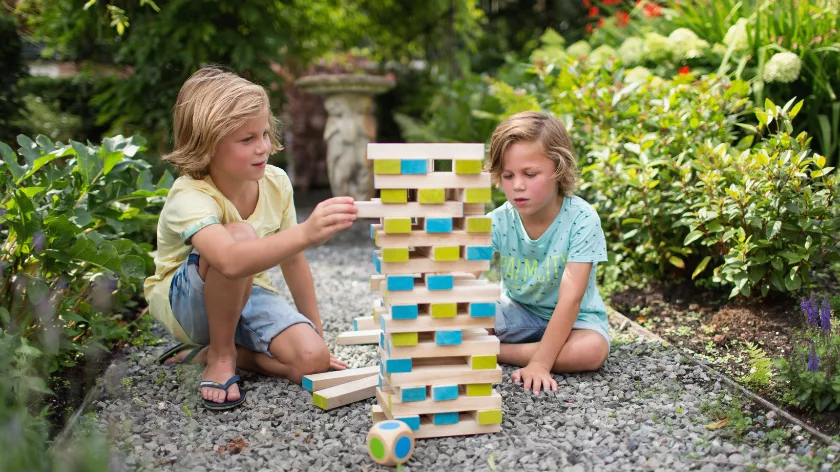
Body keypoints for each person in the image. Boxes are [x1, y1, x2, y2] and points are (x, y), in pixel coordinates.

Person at [144, 67, 358, 410]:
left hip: (248, 293)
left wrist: (317, 335)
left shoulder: (275, 183)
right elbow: (229, 259)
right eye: (247, 140)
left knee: (312, 359)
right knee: (240, 237)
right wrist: (305, 233)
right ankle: (221, 356)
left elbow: (293, 261)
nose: (263, 147)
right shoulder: (190, 195)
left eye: (264, 133)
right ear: (207, 144)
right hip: (187, 304)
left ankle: (218, 355)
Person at [485, 111, 610, 395]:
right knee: (465, 319)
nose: (517, 185)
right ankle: (506, 346)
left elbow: (571, 297)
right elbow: (462, 273)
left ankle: (497, 352)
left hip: (577, 320)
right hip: (518, 313)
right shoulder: (499, 220)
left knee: (592, 351)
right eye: (508, 175)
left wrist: (540, 363)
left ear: (558, 170)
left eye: (530, 174)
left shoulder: (582, 219)